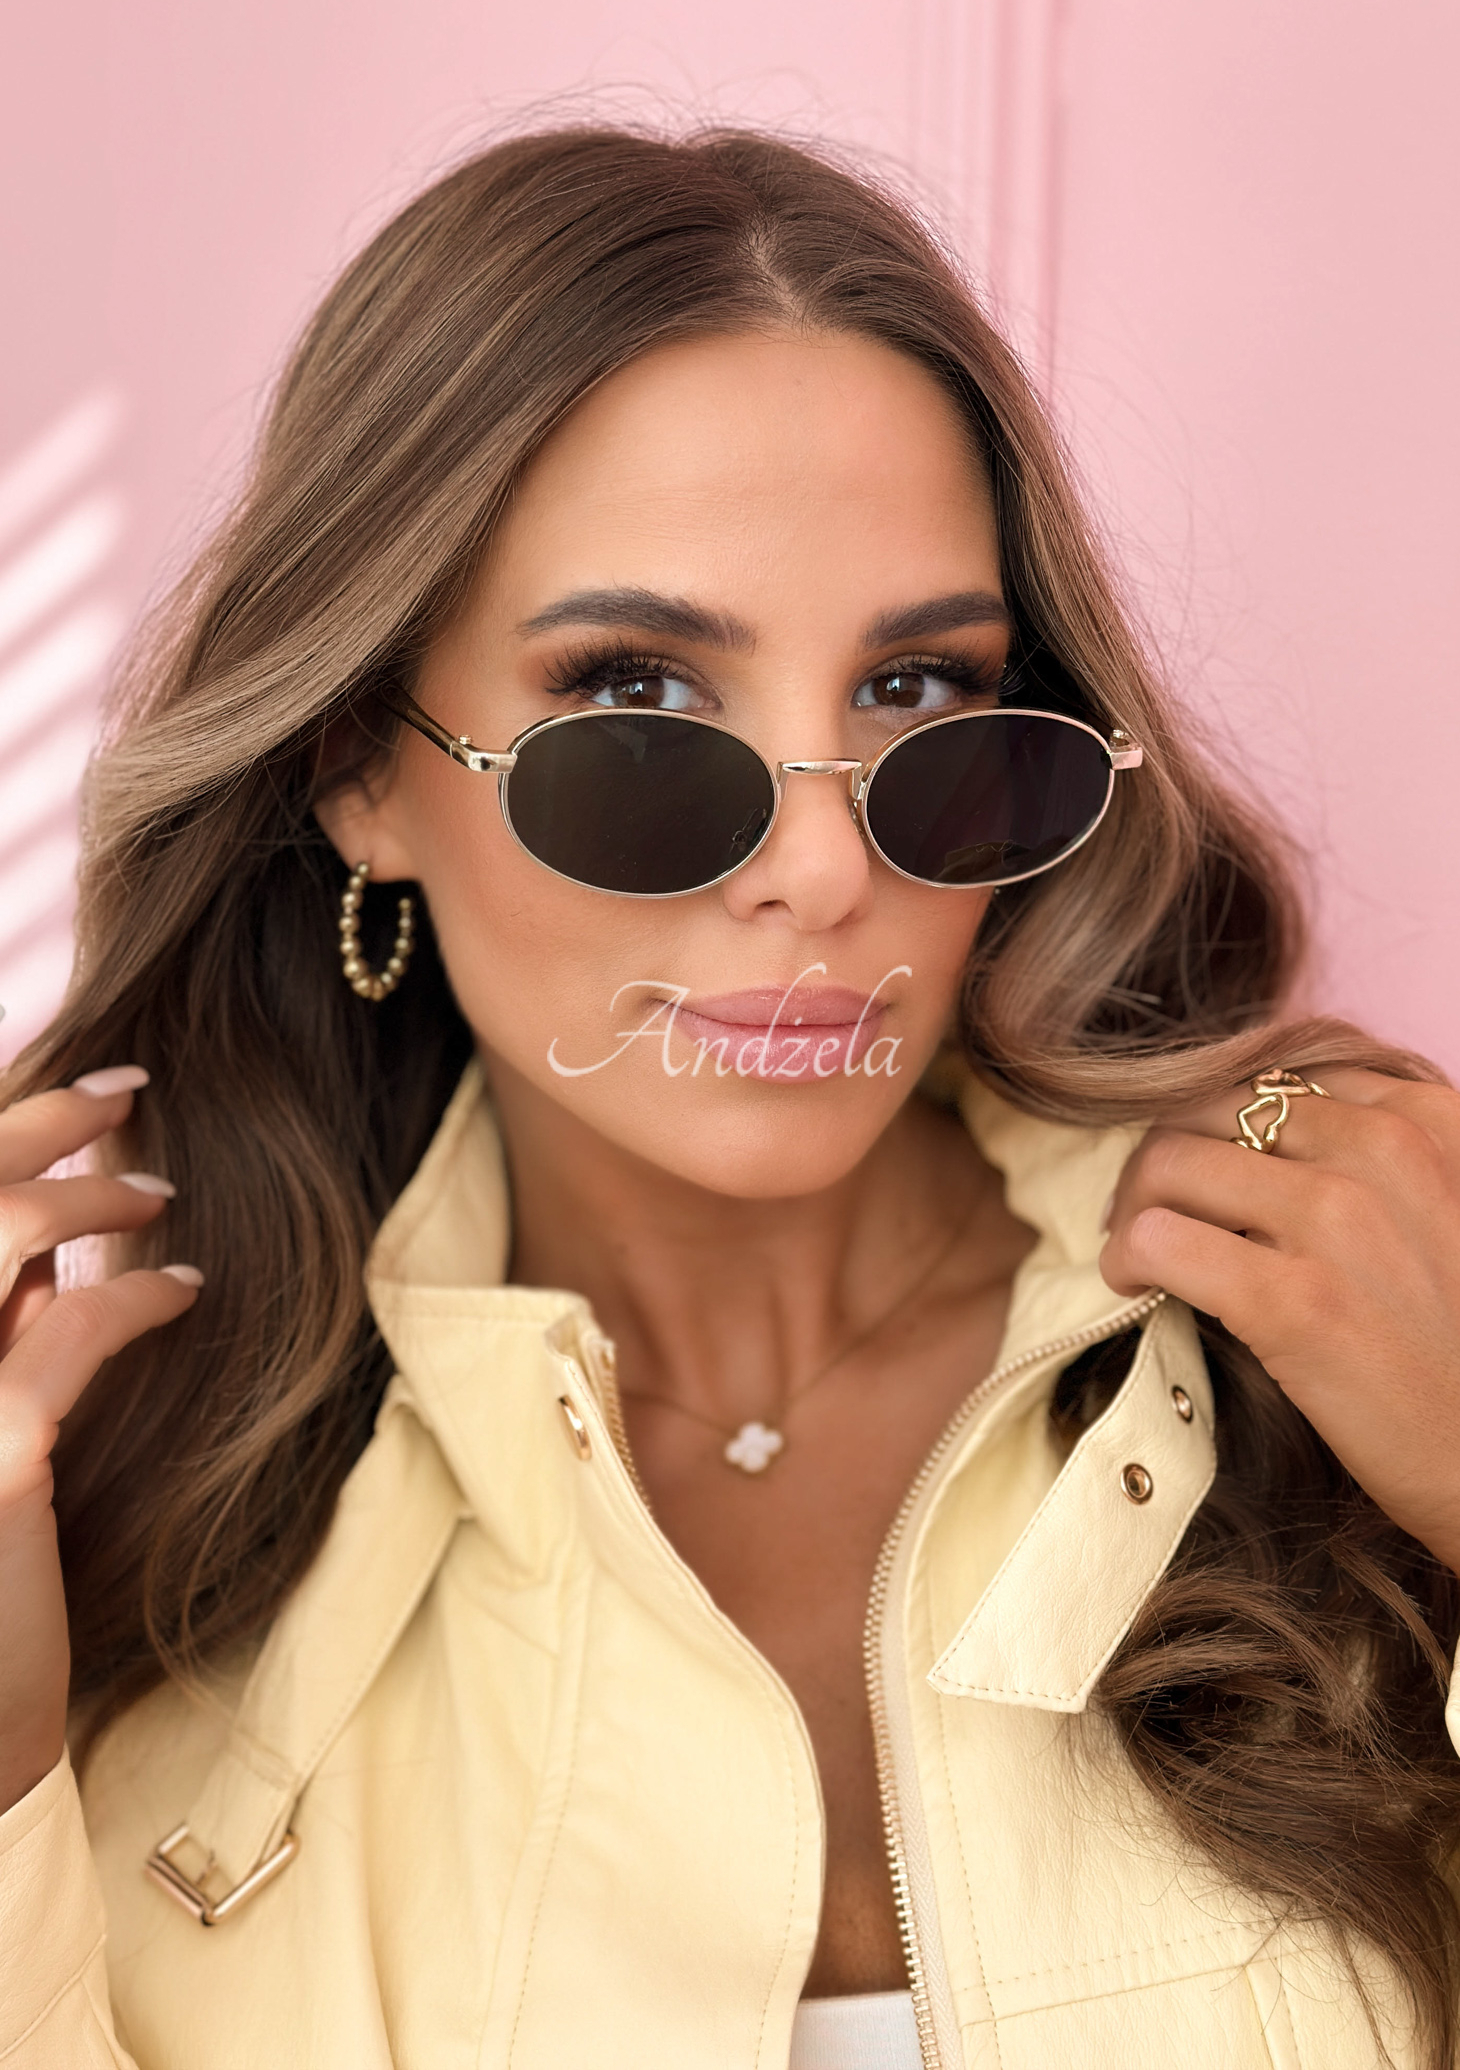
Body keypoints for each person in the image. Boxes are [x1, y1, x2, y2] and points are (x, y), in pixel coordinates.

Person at [1, 124, 1458, 2070]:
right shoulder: (128, 1549)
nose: (824, 869)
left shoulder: (1352, 1351)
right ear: (360, 769)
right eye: (640, 702)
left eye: (919, 693)